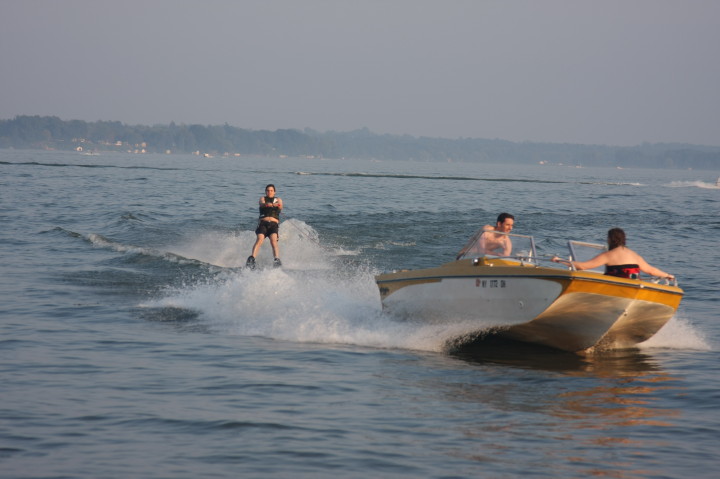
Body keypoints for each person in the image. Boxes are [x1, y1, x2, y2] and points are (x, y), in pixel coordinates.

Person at [552, 227, 674, 281]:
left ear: (611, 239)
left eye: (608, 238)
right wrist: (667, 275)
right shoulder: (634, 255)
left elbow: (583, 266)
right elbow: (651, 271)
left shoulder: (609, 255)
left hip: (615, 290)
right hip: (634, 288)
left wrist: (559, 260)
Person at [246, 184, 283, 269]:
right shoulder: (262, 198)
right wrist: (267, 204)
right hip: (263, 223)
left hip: (273, 224)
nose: (269, 192)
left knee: (274, 241)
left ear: (274, 192)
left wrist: (273, 205)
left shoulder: (278, 199)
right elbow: (262, 204)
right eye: (268, 190)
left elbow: (280, 206)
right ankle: (252, 258)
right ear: (265, 191)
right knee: (260, 239)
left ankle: (276, 260)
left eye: (271, 190)